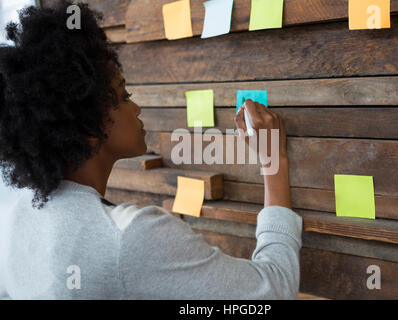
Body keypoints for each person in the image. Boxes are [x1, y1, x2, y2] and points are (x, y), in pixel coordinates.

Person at [0, 1, 302, 299]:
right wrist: (273, 161)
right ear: (90, 128)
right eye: (123, 96)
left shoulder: (16, 217)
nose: (137, 107)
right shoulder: (131, 236)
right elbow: (273, 291)